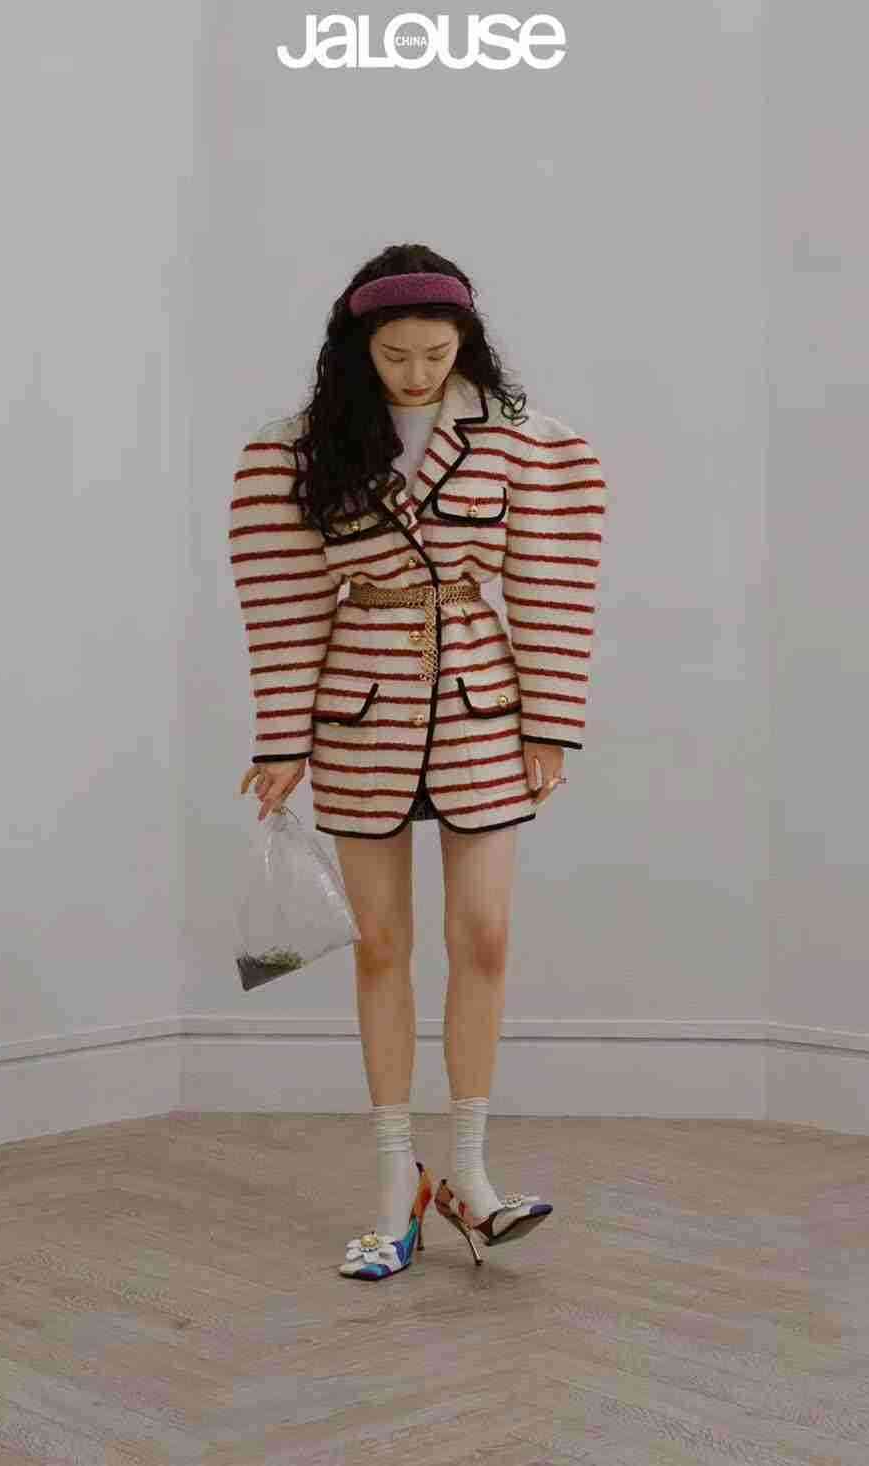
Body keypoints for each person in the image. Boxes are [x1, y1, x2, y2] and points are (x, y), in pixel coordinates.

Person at [229, 243, 607, 1279]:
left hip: (484, 704)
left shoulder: (521, 440)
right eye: (394, 354)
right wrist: (281, 740)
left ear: (464, 343)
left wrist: (551, 721)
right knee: (380, 947)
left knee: (484, 936)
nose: (415, 372)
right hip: (360, 711)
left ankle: (472, 1177)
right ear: (359, 347)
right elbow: (283, 599)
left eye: (435, 354)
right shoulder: (297, 448)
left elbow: (552, 580)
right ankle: (397, 1182)